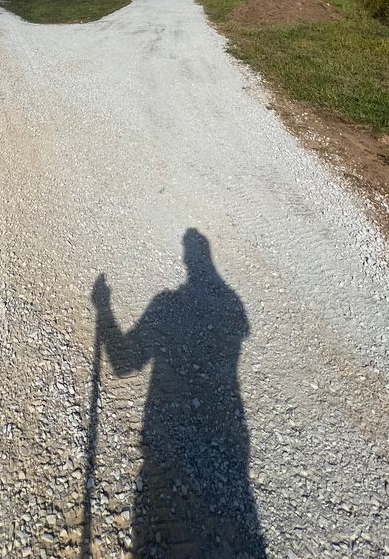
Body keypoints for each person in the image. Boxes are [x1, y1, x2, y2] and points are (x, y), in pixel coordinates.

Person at [91, 230, 266, 558]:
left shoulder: (166, 303)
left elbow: (124, 364)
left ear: (187, 260)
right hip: (233, 436)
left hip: (165, 429)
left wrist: (103, 308)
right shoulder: (232, 303)